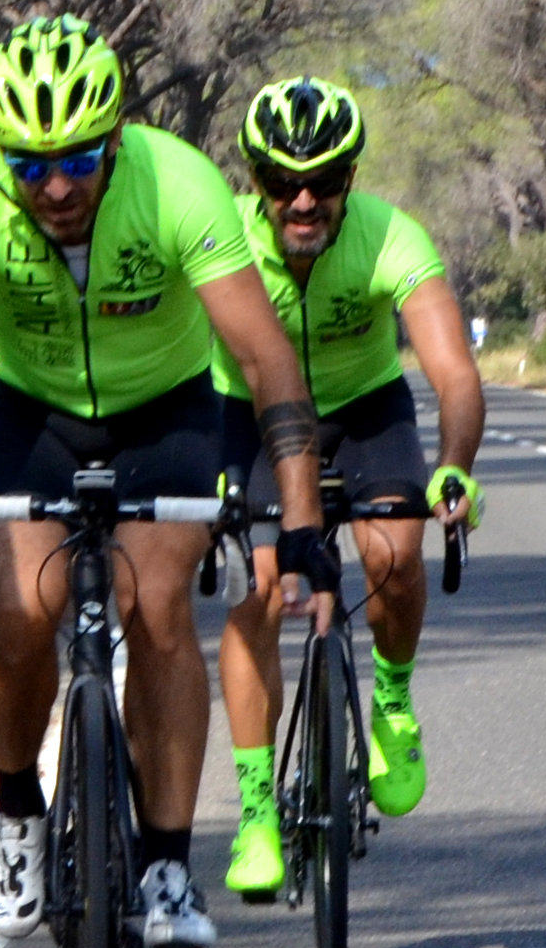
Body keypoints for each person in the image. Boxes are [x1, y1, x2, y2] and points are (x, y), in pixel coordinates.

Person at [0, 16, 334, 948]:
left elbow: (264, 359)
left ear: (119, 139)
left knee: (158, 606)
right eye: (29, 165)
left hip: (166, 413)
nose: (53, 187)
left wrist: (300, 515)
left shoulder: (178, 183)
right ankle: (16, 817)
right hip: (34, 414)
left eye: (79, 159)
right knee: (17, 613)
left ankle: (168, 863)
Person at [207, 76, 486, 900]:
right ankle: (257, 813)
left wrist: (455, 465)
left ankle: (393, 700)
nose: (302, 201)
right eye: (280, 182)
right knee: (260, 589)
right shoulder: (218, 234)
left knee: (395, 553)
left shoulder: (391, 235)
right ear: (252, 179)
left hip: (366, 408)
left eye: (324, 182)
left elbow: (453, 373)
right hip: (247, 409)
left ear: (350, 181)